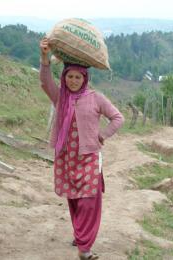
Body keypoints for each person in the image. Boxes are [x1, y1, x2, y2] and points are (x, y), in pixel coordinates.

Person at [39, 38, 124, 260]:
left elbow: (117, 118)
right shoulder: (60, 97)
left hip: (89, 158)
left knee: (89, 202)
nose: (74, 81)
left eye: (78, 77)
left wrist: (102, 134)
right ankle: (80, 234)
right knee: (74, 199)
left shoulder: (96, 98)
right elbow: (45, 83)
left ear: (85, 78)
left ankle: (84, 249)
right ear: (64, 78)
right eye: (70, 76)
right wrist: (44, 59)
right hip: (67, 157)